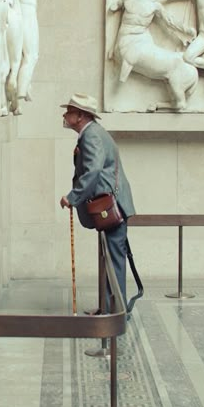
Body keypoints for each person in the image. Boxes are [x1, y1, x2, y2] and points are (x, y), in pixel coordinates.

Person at [59, 93, 135, 309]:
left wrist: (72, 197)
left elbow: (92, 171)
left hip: (111, 209)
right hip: (109, 207)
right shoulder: (92, 133)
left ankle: (115, 315)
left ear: (81, 115)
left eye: (69, 111)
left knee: (114, 262)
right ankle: (110, 310)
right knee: (112, 260)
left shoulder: (91, 135)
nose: (65, 115)